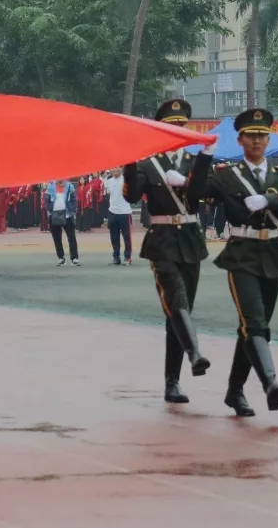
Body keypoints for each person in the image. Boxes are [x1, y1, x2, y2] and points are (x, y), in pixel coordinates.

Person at [204, 108, 278, 416]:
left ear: (268, 138)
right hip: (241, 254)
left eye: (262, 135)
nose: (257, 141)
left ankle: (234, 391)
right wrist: (202, 159)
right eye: (251, 136)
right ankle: (270, 383)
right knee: (255, 324)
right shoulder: (226, 175)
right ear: (240, 140)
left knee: (251, 329)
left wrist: (271, 200)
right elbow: (197, 192)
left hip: (273, 253)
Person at [122, 99, 215, 404]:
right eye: (171, 125)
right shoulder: (148, 161)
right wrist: (130, 157)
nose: (177, 130)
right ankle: (195, 352)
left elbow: (201, 192)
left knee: (178, 311)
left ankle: (171, 382)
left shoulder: (192, 159)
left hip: (190, 238)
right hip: (162, 240)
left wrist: (197, 168)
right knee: (176, 298)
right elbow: (133, 195)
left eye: (181, 126)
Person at [44, 179, 79, 266]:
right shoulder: (51, 186)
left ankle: (74, 258)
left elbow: (74, 199)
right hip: (55, 215)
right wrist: (49, 209)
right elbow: (46, 199)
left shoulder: (70, 186)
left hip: (67, 215)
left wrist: (72, 209)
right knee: (57, 238)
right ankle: (61, 258)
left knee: (72, 237)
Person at [104, 168, 133, 266]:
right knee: (114, 237)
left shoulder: (126, 180)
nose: (114, 170)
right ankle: (116, 257)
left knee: (126, 237)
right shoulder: (108, 181)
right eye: (112, 168)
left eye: (116, 167)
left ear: (120, 169)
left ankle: (127, 257)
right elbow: (109, 196)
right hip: (112, 212)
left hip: (125, 212)